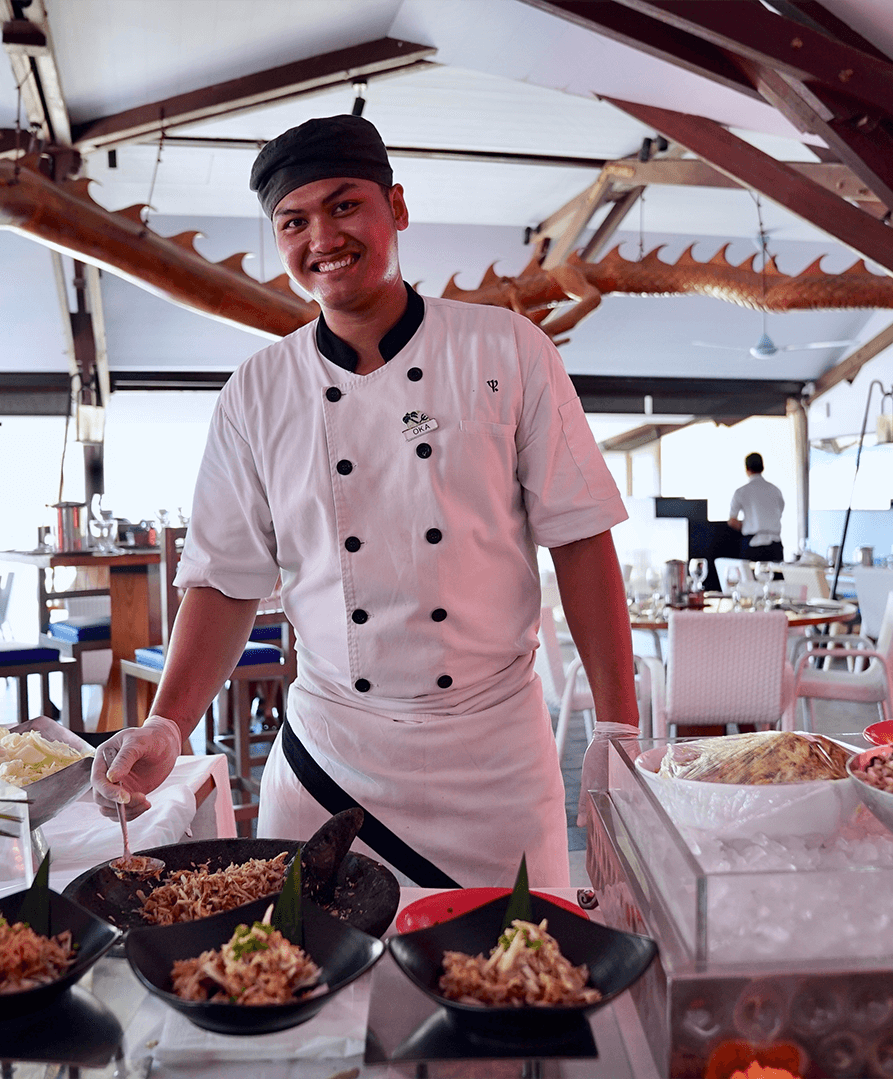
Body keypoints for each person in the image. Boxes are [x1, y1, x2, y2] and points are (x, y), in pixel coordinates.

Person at [90, 114, 639, 888]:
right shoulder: (256, 392)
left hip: (494, 764)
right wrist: (167, 724)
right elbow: (223, 578)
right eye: (294, 221)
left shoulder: (508, 349)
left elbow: (581, 539)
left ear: (397, 209)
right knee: (313, 988)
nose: (323, 236)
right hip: (332, 758)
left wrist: (617, 730)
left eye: (345, 206)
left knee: (517, 978)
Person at [727, 453, 784, 563]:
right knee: (776, 579)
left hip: (752, 545)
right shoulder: (775, 490)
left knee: (749, 579)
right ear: (763, 467)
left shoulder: (741, 492)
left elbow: (732, 521)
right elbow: (779, 513)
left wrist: (748, 524)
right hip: (774, 545)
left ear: (747, 469)